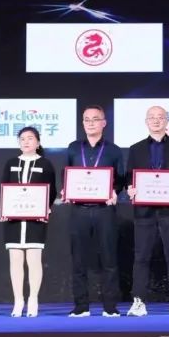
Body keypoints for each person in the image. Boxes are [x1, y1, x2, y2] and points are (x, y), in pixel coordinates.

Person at [126, 105, 169, 316]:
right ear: (146, 121)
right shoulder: (135, 148)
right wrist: (131, 188)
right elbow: (129, 177)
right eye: (152, 117)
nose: (156, 120)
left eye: (160, 117)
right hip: (144, 211)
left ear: (166, 121)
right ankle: (138, 301)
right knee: (141, 257)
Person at [61, 105, 124, 318]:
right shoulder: (73, 148)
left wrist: (115, 191)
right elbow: (66, 175)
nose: (91, 123)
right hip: (79, 210)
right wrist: (66, 189)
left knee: (109, 259)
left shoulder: (114, 150)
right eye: (86, 119)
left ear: (104, 123)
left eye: (95, 119)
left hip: (104, 210)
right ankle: (81, 306)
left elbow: (120, 179)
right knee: (79, 260)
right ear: (82, 123)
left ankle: (110, 307)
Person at [0, 127, 57, 318]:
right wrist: (2, 208)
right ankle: (18, 300)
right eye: (22, 139)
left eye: (30, 138)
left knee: (34, 259)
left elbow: (52, 191)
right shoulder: (11, 163)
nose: (26, 142)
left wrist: (46, 208)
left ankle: (33, 299)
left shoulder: (46, 164)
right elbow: (4, 188)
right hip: (13, 219)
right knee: (15, 260)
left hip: (36, 219)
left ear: (38, 142)